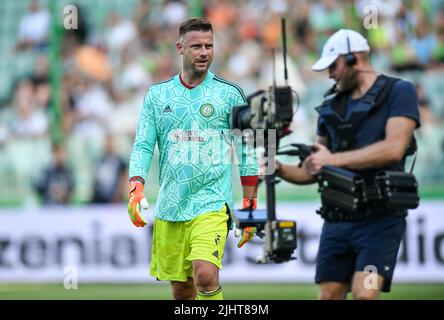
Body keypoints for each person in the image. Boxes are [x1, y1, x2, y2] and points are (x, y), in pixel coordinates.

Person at [275, 29, 420, 300]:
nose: (330, 74)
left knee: (364, 294)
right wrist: (279, 168)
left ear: (353, 58)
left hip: (381, 219)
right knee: (329, 295)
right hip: (337, 218)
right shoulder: (330, 104)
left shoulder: (400, 90)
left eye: (333, 66)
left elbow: (394, 148)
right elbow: (314, 168)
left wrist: (331, 159)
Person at [127, 18, 258, 300]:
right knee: (181, 289)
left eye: (209, 46)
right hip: (171, 205)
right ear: (180, 48)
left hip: (211, 202)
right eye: (196, 46)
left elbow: (247, 149)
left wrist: (250, 205)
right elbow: (143, 145)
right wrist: (136, 184)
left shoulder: (229, 94)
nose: (203, 52)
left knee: (206, 276)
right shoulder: (156, 95)